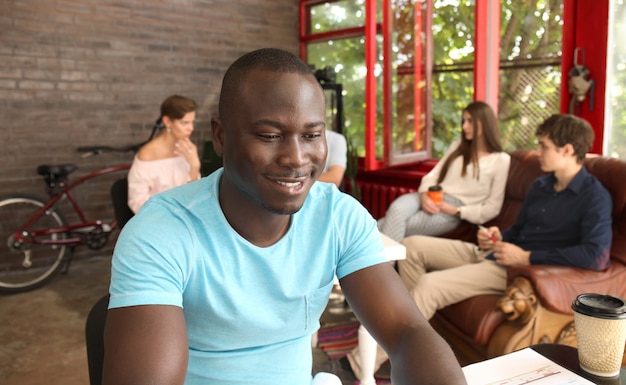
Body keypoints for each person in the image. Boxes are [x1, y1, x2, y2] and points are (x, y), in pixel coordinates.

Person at [102, 48, 467, 385]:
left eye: (311, 135)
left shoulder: (336, 216)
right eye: (270, 135)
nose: (296, 157)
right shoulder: (162, 232)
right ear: (221, 136)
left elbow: (406, 331)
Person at [348, 113, 613, 376]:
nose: (538, 151)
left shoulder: (594, 197)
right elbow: (519, 230)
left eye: (544, 146)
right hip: (493, 252)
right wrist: (498, 235)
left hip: (514, 270)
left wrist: (527, 257)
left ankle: (361, 363)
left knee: (431, 285)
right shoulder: (541, 185)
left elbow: (595, 256)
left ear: (567, 150)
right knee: (412, 246)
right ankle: (416, 347)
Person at [378, 101, 511, 242]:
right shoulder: (457, 147)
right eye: (463, 121)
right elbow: (433, 175)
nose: (464, 126)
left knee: (380, 226)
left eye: (470, 121)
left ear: (485, 124)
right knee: (396, 209)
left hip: (450, 211)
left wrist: (456, 210)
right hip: (429, 195)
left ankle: (382, 264)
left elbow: (493, 208)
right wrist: (424, 195)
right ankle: (383, 264)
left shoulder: (501, 160)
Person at [127, 94, 201, 213]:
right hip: (158, 220)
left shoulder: (188, 149)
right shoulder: (147, 155)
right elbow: (137, 202)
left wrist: (194, 167)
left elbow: (195, 194)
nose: (191, 128)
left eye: (192, 122)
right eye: (185, 123)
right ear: (167, 121)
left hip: (186, 215)